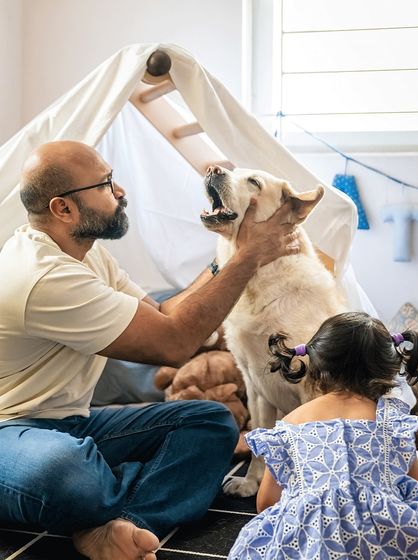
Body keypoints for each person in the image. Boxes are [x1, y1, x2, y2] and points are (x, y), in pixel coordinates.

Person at [0, 140, 299, 560]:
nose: (120, 191)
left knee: (210, 420)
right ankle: (110, 491)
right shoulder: (42, 275)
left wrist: (225, 258)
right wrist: (247, 258)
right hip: (10, 432)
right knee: (64, 471)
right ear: (63, 209)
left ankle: (124, 524)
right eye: (105, 184)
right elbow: (174, 344)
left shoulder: (87, 253)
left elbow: (162, 313)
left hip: (71, 422)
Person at [228, 311, 418, 560]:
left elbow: (266, 503)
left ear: (315, 365)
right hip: (383, 534)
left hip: (307, 543)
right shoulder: (390, 421)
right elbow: (416, 483)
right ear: (388, 368)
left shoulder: (291, 423)